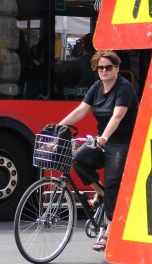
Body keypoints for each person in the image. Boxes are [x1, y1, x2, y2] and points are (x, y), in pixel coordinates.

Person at [55, 50, 138, 252]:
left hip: (121, 141)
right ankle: (101, 193)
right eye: (100, 67)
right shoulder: (96, 87)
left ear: (117, 68)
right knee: (78, 158)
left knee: (113, 181)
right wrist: (58, 128)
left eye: (108, 67)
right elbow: (81, 110)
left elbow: (117, 116)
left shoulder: (124, 88)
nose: (103, 71)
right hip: (103, 140)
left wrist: (105, 138)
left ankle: (109, 233)